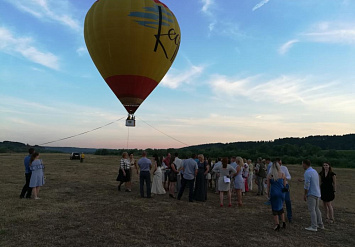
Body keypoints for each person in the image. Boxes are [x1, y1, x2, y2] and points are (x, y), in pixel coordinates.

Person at [302, 159, 324, 232]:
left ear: (305, 164)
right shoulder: (314, 171)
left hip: (311, 194)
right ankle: (320, 224)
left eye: (302, 164)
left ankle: (314, 226)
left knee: (312, 210)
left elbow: (307, 185)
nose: (302, 166)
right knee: (317, 209)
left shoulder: (307, 172)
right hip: (317, 193)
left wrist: (305, 194)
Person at [267, 162, 287, 231]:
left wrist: (267, 193)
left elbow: (268, 186)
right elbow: (284, 185)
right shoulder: (282, 174)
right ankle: (283, 222)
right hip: (281, 193)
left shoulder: (270, 175)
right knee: (281, 207)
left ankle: (277, 224)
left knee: (275, 209)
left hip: (274, 193)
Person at [277, 158, 293, 223]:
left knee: (287, 201)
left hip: (285, 186)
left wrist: (284, 178)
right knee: (279, 201)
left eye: (280, 163)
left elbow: (289, 176)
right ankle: (279, 215)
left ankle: (290, 217)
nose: (279, 164)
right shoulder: (272, 169)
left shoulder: (284, 168)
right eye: (278, 163)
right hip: (277, 186)